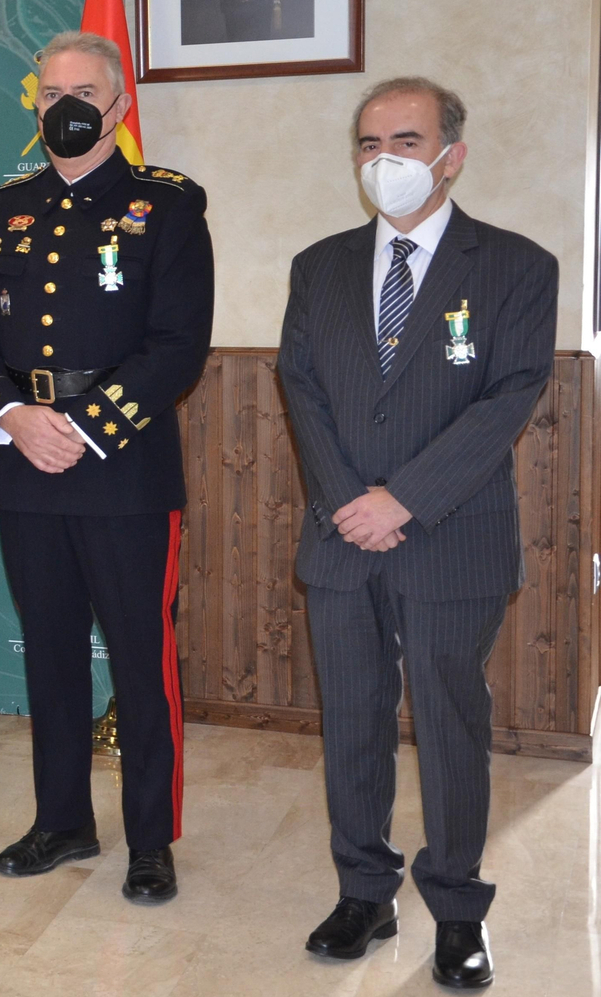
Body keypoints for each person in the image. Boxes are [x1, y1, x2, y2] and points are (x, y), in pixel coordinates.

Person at [278, 78, 556, 989]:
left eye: (406, 139)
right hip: (340, 533)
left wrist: (404, 498)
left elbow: (508, 396)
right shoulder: (318, 265)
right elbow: (302, 390)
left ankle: (457, 905)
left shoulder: (516, 265)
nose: (384, 160)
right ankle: (364, 887)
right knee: (352, 719)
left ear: (452, 155)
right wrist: (350, 502)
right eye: (368, 143)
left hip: (453, 535)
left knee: (449, 722)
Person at [0, 31, 213, 901]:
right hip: (26, 464)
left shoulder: (165, 207)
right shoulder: (3, 205)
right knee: (50, 655)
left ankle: (151, 839)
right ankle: (61, 820)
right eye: (50, 91)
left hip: (125, 468)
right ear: (34, 106)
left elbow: (177, 347)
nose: (65, 105)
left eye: (83, 91)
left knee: (142, 661)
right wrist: (15, 417)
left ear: (117, 106)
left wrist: (83, 427)